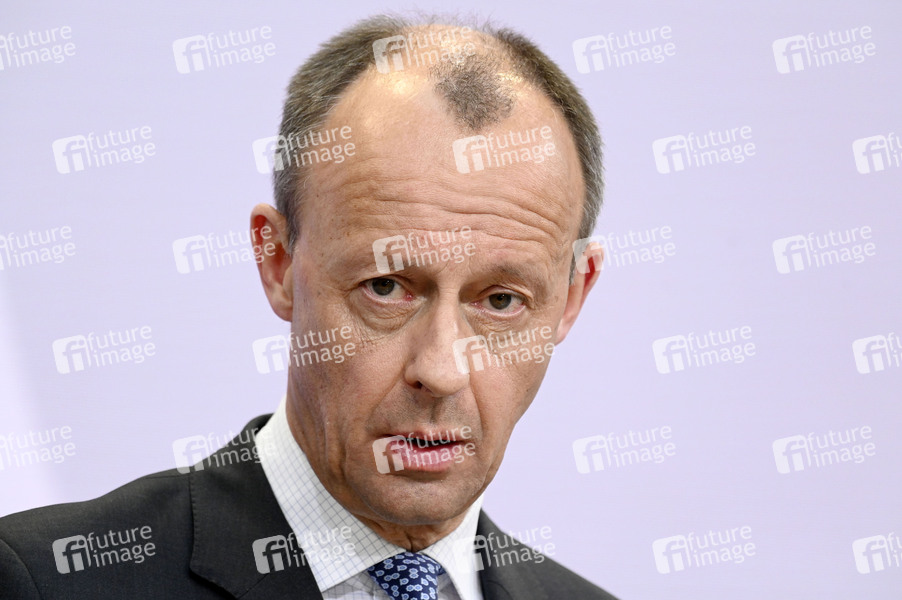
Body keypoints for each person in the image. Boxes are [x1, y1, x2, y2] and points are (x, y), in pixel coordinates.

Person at [0, 15, 612, 599]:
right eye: (385, 287)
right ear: (279, 262)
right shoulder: (46, 582)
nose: (442, 370)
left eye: (502, 301)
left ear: (572, 297)